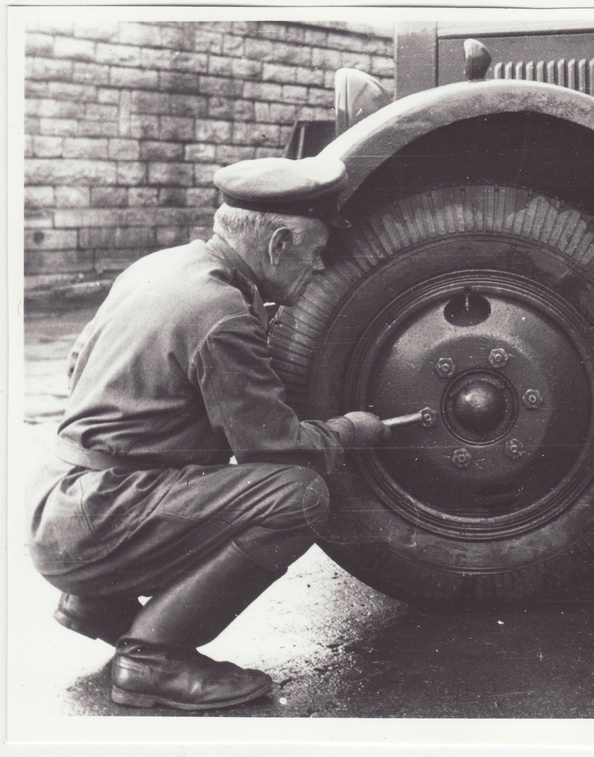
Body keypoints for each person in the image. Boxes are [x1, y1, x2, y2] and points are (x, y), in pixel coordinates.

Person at [26, 156, 390, 711]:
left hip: (55, 501)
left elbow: (78, 370)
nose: (319, 268)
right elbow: (275, 447)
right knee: (297, 496)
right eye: (316, 253)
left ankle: (95, 601)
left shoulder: (161, 267)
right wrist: (352, 430)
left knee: (183, 471)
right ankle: (153, 658)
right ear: (279, 243)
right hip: (95, 518)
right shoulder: (219, 311)